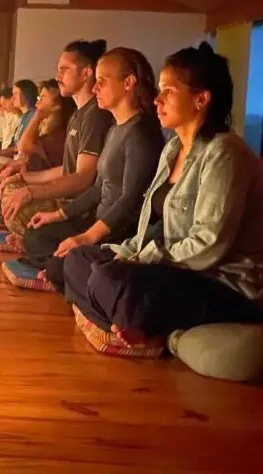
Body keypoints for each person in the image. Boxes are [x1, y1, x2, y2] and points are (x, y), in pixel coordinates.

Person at [63, 43, 263, 350]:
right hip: (173, 268)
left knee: (112, 281)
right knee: (78, 260)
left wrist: (140, 260)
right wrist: (127, 252)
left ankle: (117, 319)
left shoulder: (225, 153)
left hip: (220, 282)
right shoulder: (173, 149)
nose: (156, 99)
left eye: (168, 90)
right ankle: (127, 324)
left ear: (201, 99)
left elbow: (209, 245)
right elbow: (153, 224)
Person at [21, 48, 165, 285]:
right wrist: (56, 215)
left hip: (118, 232)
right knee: (36, 235)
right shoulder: (115, 129)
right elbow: (98, 188)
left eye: (102, 82)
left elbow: (130, 200)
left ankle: (64, 272)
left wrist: (88, 237)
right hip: (96, 222)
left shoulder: (140, 133)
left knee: (61, 263)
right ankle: (65, 271)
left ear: (128, 83)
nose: (95, 88)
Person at [0, 40, 114, 238]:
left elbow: (84, 177)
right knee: (10, 188)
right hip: (66, 196)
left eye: (65, 70)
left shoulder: (95, 115)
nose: (58, 76)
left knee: (17, 213)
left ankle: (39, 241)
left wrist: (31, 192)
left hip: (79, 206)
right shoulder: (78, 114)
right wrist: (25, 179)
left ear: (86, 73)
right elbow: (67, 168)